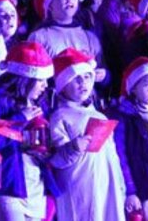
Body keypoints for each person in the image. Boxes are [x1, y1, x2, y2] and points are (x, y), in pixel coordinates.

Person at [0, 41, 59, 221]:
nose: (45, 86)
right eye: (41, 80)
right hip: (9, 185)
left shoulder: (39, 102)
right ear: (25, 78)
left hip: (36, 186)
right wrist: (20, 119)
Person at [49, 47, 126, 221]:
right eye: (75, 78)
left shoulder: (100, 116)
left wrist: (121, 186)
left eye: (87, 77)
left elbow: (113, 157)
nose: (82, 83)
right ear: (63, 85)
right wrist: (74, 148)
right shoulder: (60, 116)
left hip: (106, 185)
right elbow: (56, 160)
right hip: (80, 186)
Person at [109, 57, 148, 220]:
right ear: (133, 87)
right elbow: (121, 155)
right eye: (146, 84)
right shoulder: (124, 116)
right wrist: (130, 190)